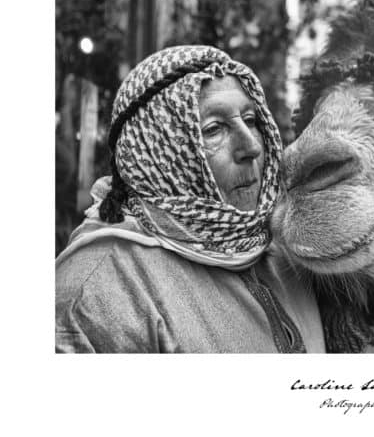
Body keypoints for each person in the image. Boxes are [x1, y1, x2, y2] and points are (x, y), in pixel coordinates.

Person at [55, 45, 325, 353]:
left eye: (250, 120)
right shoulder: (97, 292)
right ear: (157, 156)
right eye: (213, 129)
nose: (250, 146)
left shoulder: (285, 251)